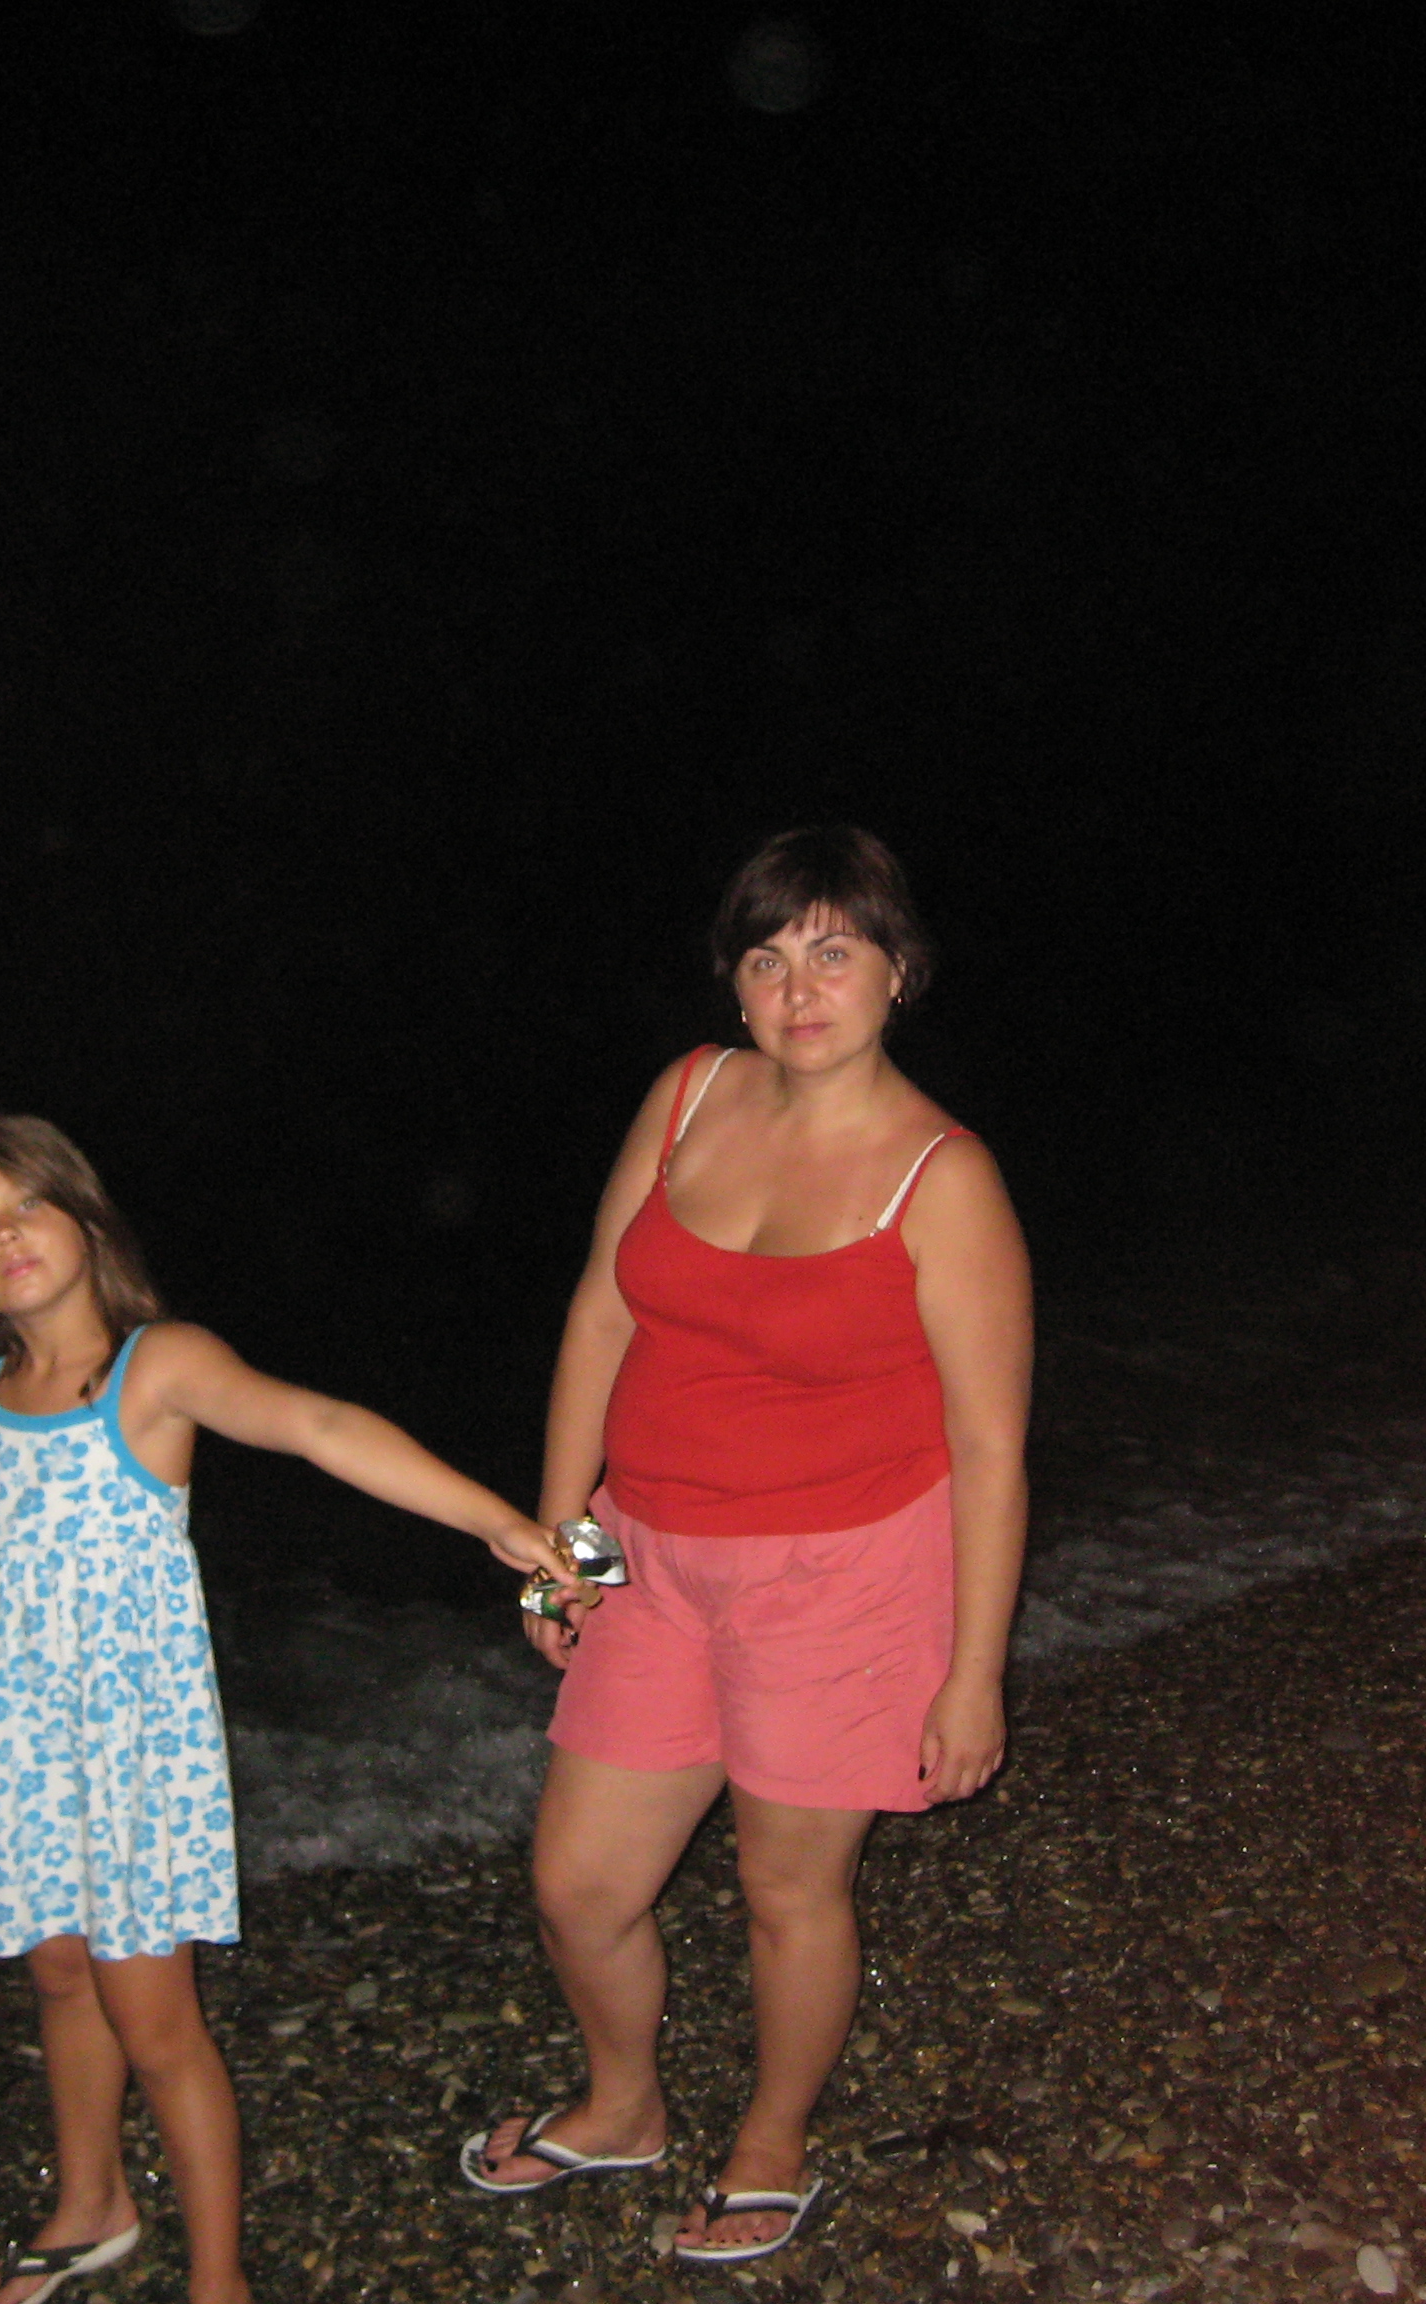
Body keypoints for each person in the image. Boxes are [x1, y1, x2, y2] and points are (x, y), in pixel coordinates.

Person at [0, 1115, 581, 2304]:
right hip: (25, 1739)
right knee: (58, 1971)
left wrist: (494, 1521)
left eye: (26, 1205)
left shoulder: (157, 1367)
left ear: (84, 1218)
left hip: (135, 1750)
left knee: (155, 2023)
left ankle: (218, 2277)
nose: (6, 1236)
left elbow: (318, 1425)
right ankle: (91, 2205)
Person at [460, 825, 1034, 2269]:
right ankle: (623, 2104)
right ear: (734, 983)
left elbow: (989, 1450)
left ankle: (772, 2141)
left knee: (787, 1890)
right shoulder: (688, 1097)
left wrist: (972, 1676)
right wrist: (565, 1546)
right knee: (579, 1885)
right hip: (648, 1553)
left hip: (846, 1575)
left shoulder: (944, 1178)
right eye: (768, 959)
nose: (799, 989)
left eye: (834, 952)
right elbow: (602, 1313)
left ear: (899, 972)